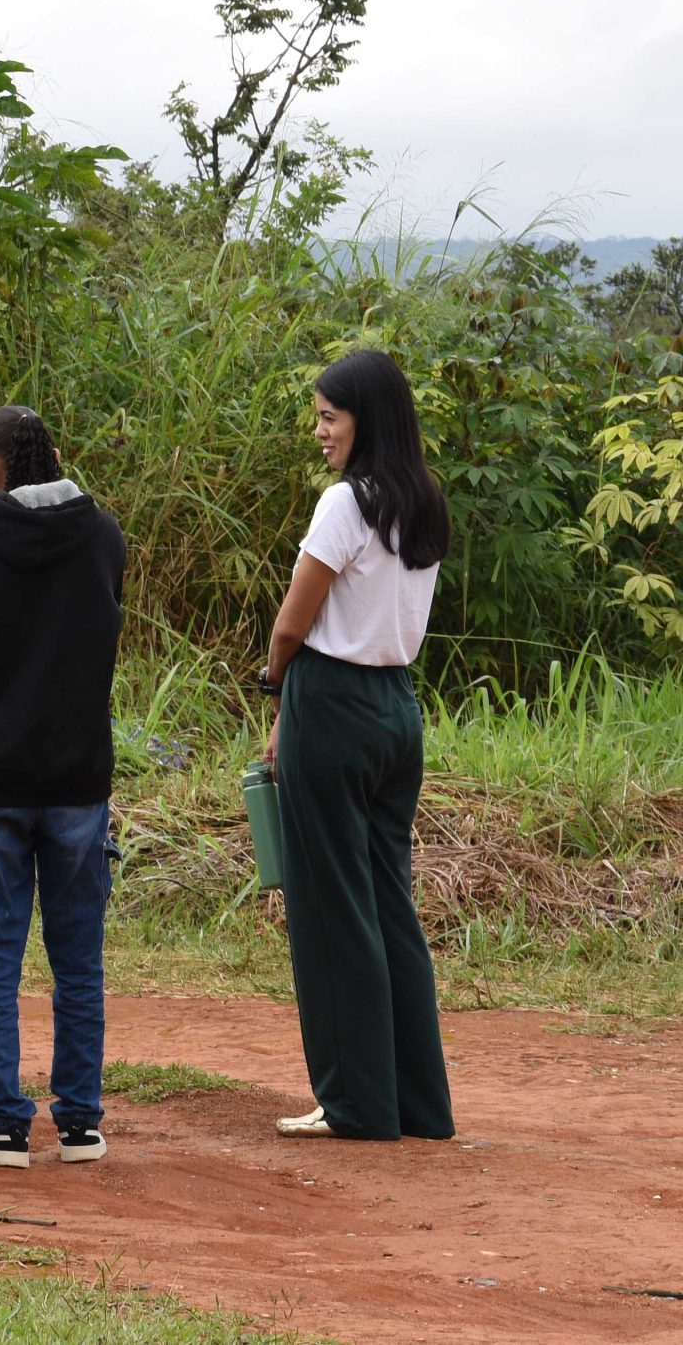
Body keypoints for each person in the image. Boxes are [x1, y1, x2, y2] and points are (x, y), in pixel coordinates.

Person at [261, 349, 454, 1143]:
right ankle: (418, 1104)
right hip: (397, 711)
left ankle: (356, 1103)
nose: (319, 431)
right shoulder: (425, 501)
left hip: (333, 703)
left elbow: (292, 622)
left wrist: (274, 684)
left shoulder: (346, 505)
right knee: (387, 902)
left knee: (331, 904)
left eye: (329, 417)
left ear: (362, 418)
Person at [0, 406, 127, 1168]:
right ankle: (80, 1120)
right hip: (80, 774)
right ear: (55, 454)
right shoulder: (103, 535)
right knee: (78, 958)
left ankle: (4, 1124)